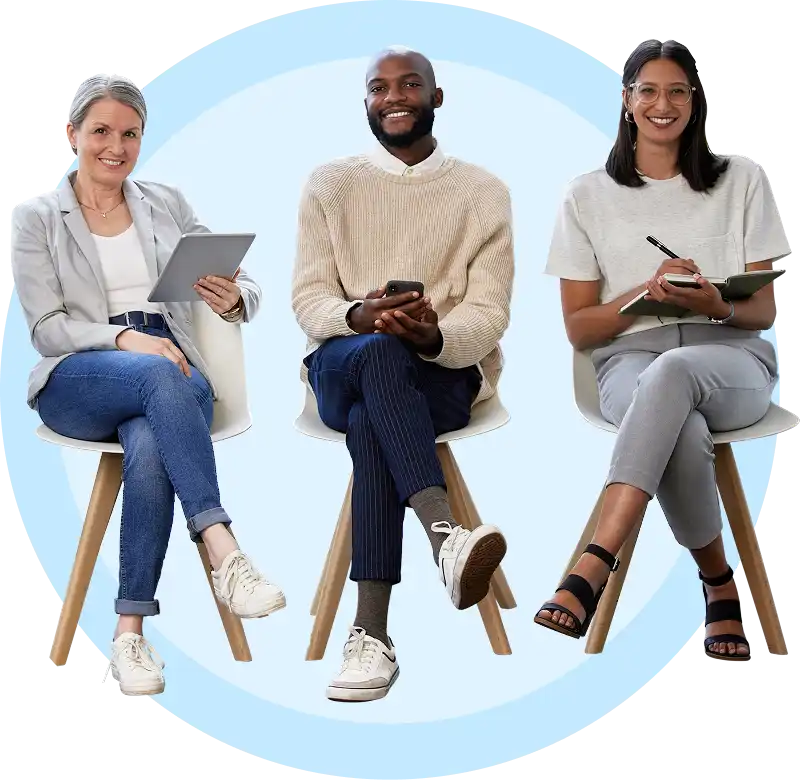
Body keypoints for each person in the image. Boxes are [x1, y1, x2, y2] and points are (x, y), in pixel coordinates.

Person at [10, 73, 286, 695]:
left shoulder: (166, 204)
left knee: (151, 440)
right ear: (71, 135)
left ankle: (129, 637)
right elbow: (48, 330)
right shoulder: (36, 220)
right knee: (156, 375)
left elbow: (247, 284)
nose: (116, 145)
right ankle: (224, 549)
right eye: (101, 131)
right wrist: (124, 339)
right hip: (79, 378)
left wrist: (236, 299)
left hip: (172, 374)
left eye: (130, 133)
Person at [538, 39, 790, 663]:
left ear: (696, 102)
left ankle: (594, 562)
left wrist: (713, 305)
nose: (663, 104)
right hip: (628, 362)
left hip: (730, 356)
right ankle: (720, 586)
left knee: (674, 373)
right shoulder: (585, 194)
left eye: (678, 91)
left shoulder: (744, 179)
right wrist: (643, 298)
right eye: (647, 90)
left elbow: (764, 310)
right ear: (626, 102)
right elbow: (579, 329)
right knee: (675, 415)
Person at [291, 46, 515, 701]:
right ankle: (445, 535)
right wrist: (361, 314)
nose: (393, 96)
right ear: (365, 103)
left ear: (435, 97)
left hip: (441, 372)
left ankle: (370, 637)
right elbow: (308, 297)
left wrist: (435, 333)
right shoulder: (330, 183)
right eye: (378, 87)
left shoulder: (482, 192)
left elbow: (490, 311)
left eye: (409, 84)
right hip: (342, 360)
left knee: (374, 419)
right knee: (379, 358)